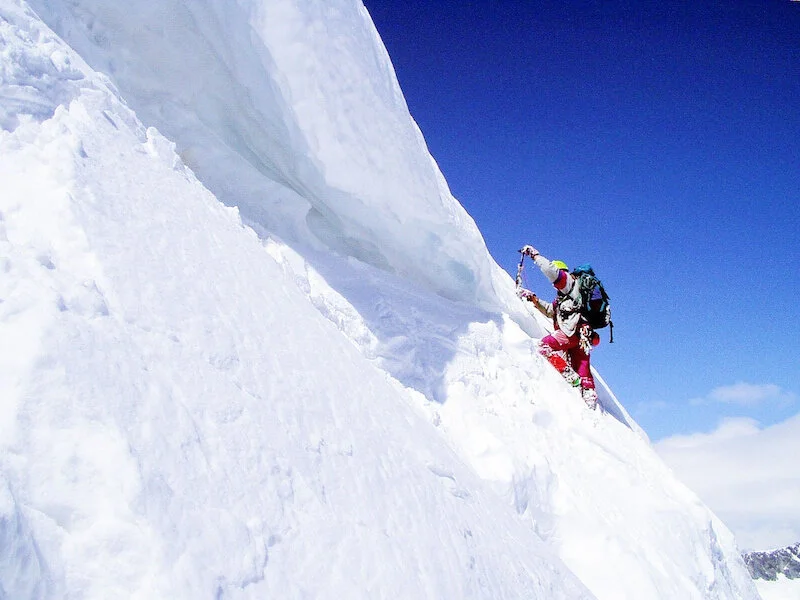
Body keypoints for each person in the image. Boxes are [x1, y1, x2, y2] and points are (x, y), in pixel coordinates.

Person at [516, 245, 600, 409]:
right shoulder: (566, 298)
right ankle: (589, 397)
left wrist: (535, 255)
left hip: (571, 333)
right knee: (582, 366)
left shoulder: (569, 284)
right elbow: (550, 311)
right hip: (584, 336)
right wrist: (533, 299)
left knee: (543, 345)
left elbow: (551, 270)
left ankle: (568, 374)